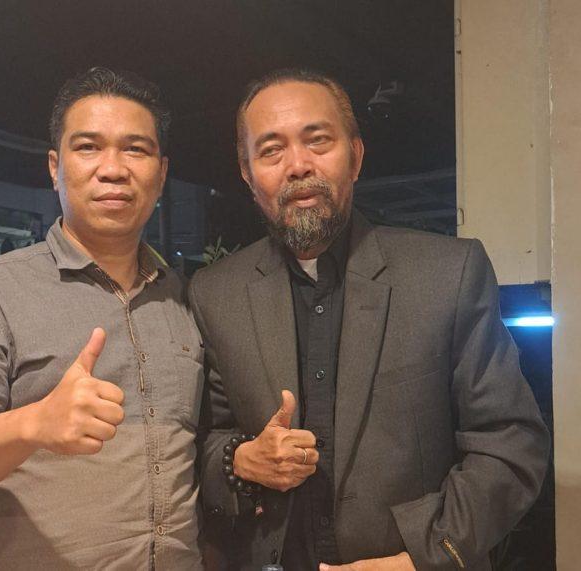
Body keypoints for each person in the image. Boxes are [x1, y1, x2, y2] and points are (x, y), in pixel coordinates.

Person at [189, 68, 550, 571]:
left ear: (356, 157)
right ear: (248, 175)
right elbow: (201, 444)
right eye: (271, 150)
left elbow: (511, 442)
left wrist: (419, 559)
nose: (298, 165)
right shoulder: (215, 293)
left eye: (318, 140)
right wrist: (242, 460)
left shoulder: (446, 274)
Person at [0, 67, 203, 570]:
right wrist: (35, 423)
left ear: (160, 173)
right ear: (54, 166)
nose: (113, 169)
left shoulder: (184, 298)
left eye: (135, 149)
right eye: (88, 147)